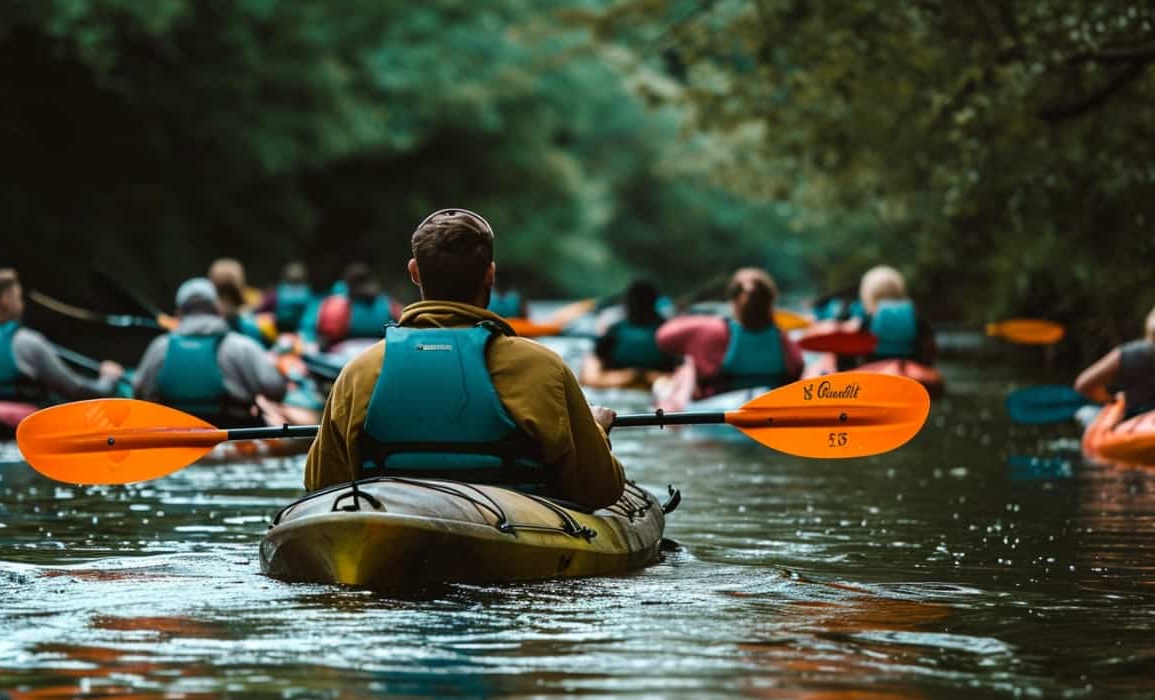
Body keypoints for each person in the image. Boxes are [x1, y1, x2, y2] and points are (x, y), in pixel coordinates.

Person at [305, 208, 626, 509]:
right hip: (512, 529)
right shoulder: (542, 367)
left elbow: (321, 485)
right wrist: (596, 430)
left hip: (388, 530)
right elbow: (599, 488)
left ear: (414, 273)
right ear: (490, 274)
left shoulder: (359, 371)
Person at [0, 268, 123, 404]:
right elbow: (77, 391)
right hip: (18, 436)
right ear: (5, 300)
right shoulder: (29, 342)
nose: (22, 304)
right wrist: (108, 379)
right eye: (18, 297)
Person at [132, 278, 286, 425]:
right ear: (217, 308)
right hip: (231, 433)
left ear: (179, 312)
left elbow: (138, 390)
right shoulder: (241, 347)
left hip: (176, 439)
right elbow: (274, 388)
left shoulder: (160, 347)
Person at [655, 267, 803, 397]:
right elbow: (797, 369)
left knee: (688, 366)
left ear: (732, 300)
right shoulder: (783, 339)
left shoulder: (714, 331)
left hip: (720, 407)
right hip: (769, 405)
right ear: (771, 301)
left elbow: (662, 337)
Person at [580, 280, 676, 387]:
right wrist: (632, 376)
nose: (640, 306)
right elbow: (590, 376)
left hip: (645, 379)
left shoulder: (666, 332)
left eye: (643, 302)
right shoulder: (615, 330)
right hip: (628, 379)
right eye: (638, 302)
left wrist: (642, 376)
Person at [1075, 306, 1155, 419]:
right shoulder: (1132, 352)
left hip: (1135, 417)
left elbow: (1083, 384)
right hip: (1143, 421)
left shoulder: (1131, 352)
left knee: (1085, 412)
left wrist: (1111, 400)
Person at [856, 265, 937, 364]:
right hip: (911, 367)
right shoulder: (915, 316)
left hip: (874, 368)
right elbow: (929, 348)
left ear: (867, 292)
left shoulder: (866, 320)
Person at [256, 261, 314, 334]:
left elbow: (259, 310)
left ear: (284, 277)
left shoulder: (276, 293)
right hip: (300, 333)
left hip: (276, 332)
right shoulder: (308, 294)